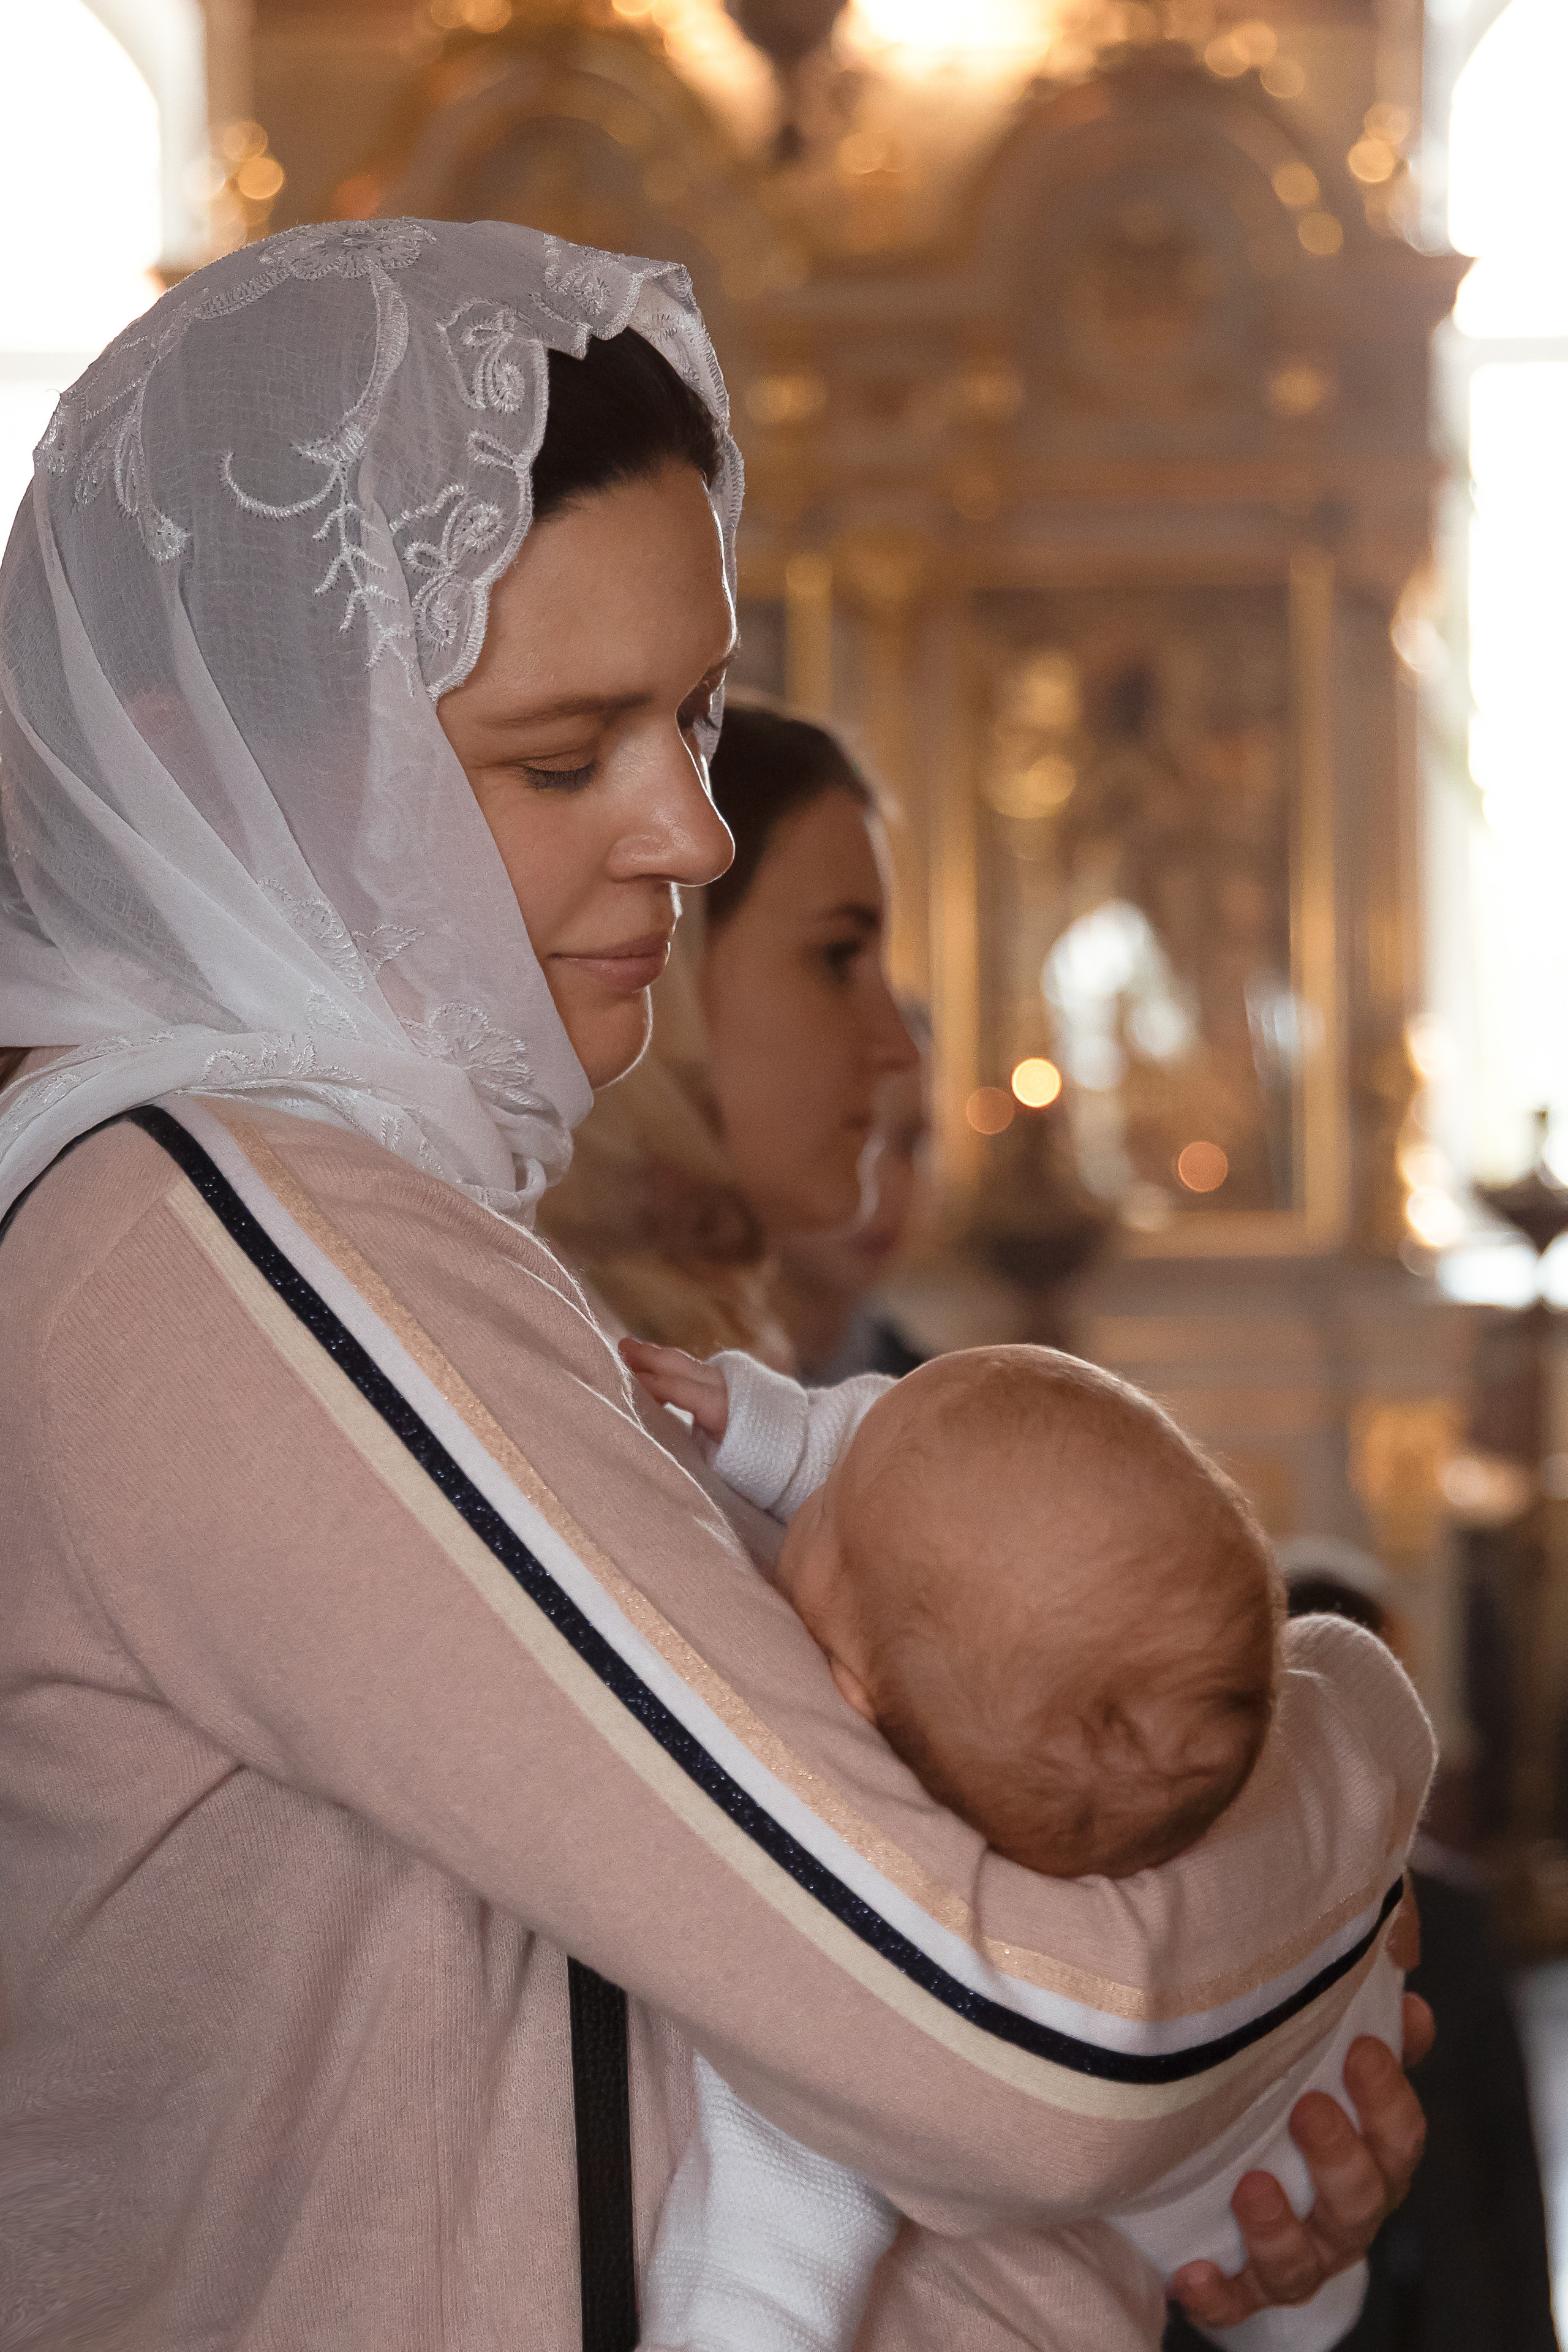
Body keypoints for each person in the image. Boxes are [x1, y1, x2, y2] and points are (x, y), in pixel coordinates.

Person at [0, 218, 1427, 2350]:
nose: (688, 829)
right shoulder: (212, 1232)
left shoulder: (355, 1205)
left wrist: (1198, 2209)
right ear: (211, 758)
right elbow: (1031, 2048)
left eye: (697, 712)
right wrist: (1351, 1732)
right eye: (566, 755)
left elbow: (685, 2096)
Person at [621, 1340, 1433, 2352]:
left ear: (850, 1695)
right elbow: (913, 1479)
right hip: (1285, 2140)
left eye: (826, 1494)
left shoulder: (890, 1945)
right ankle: (1316, 2306)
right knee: (1299, 2182)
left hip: (1256, 2171)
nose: (815, 1482)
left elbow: (767, 2268)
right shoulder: (1292, 1742)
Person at [538, 700, 919, 1366]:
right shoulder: (559, 1354)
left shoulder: (718, 1344)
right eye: (835, 957)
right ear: (666, 966)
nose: (897, 1048)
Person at [771, 1015, 931, 1383]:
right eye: (853, 1133)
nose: (883, 1188)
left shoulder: (934, 1403)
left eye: (910, 1142)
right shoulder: (656, 1394)